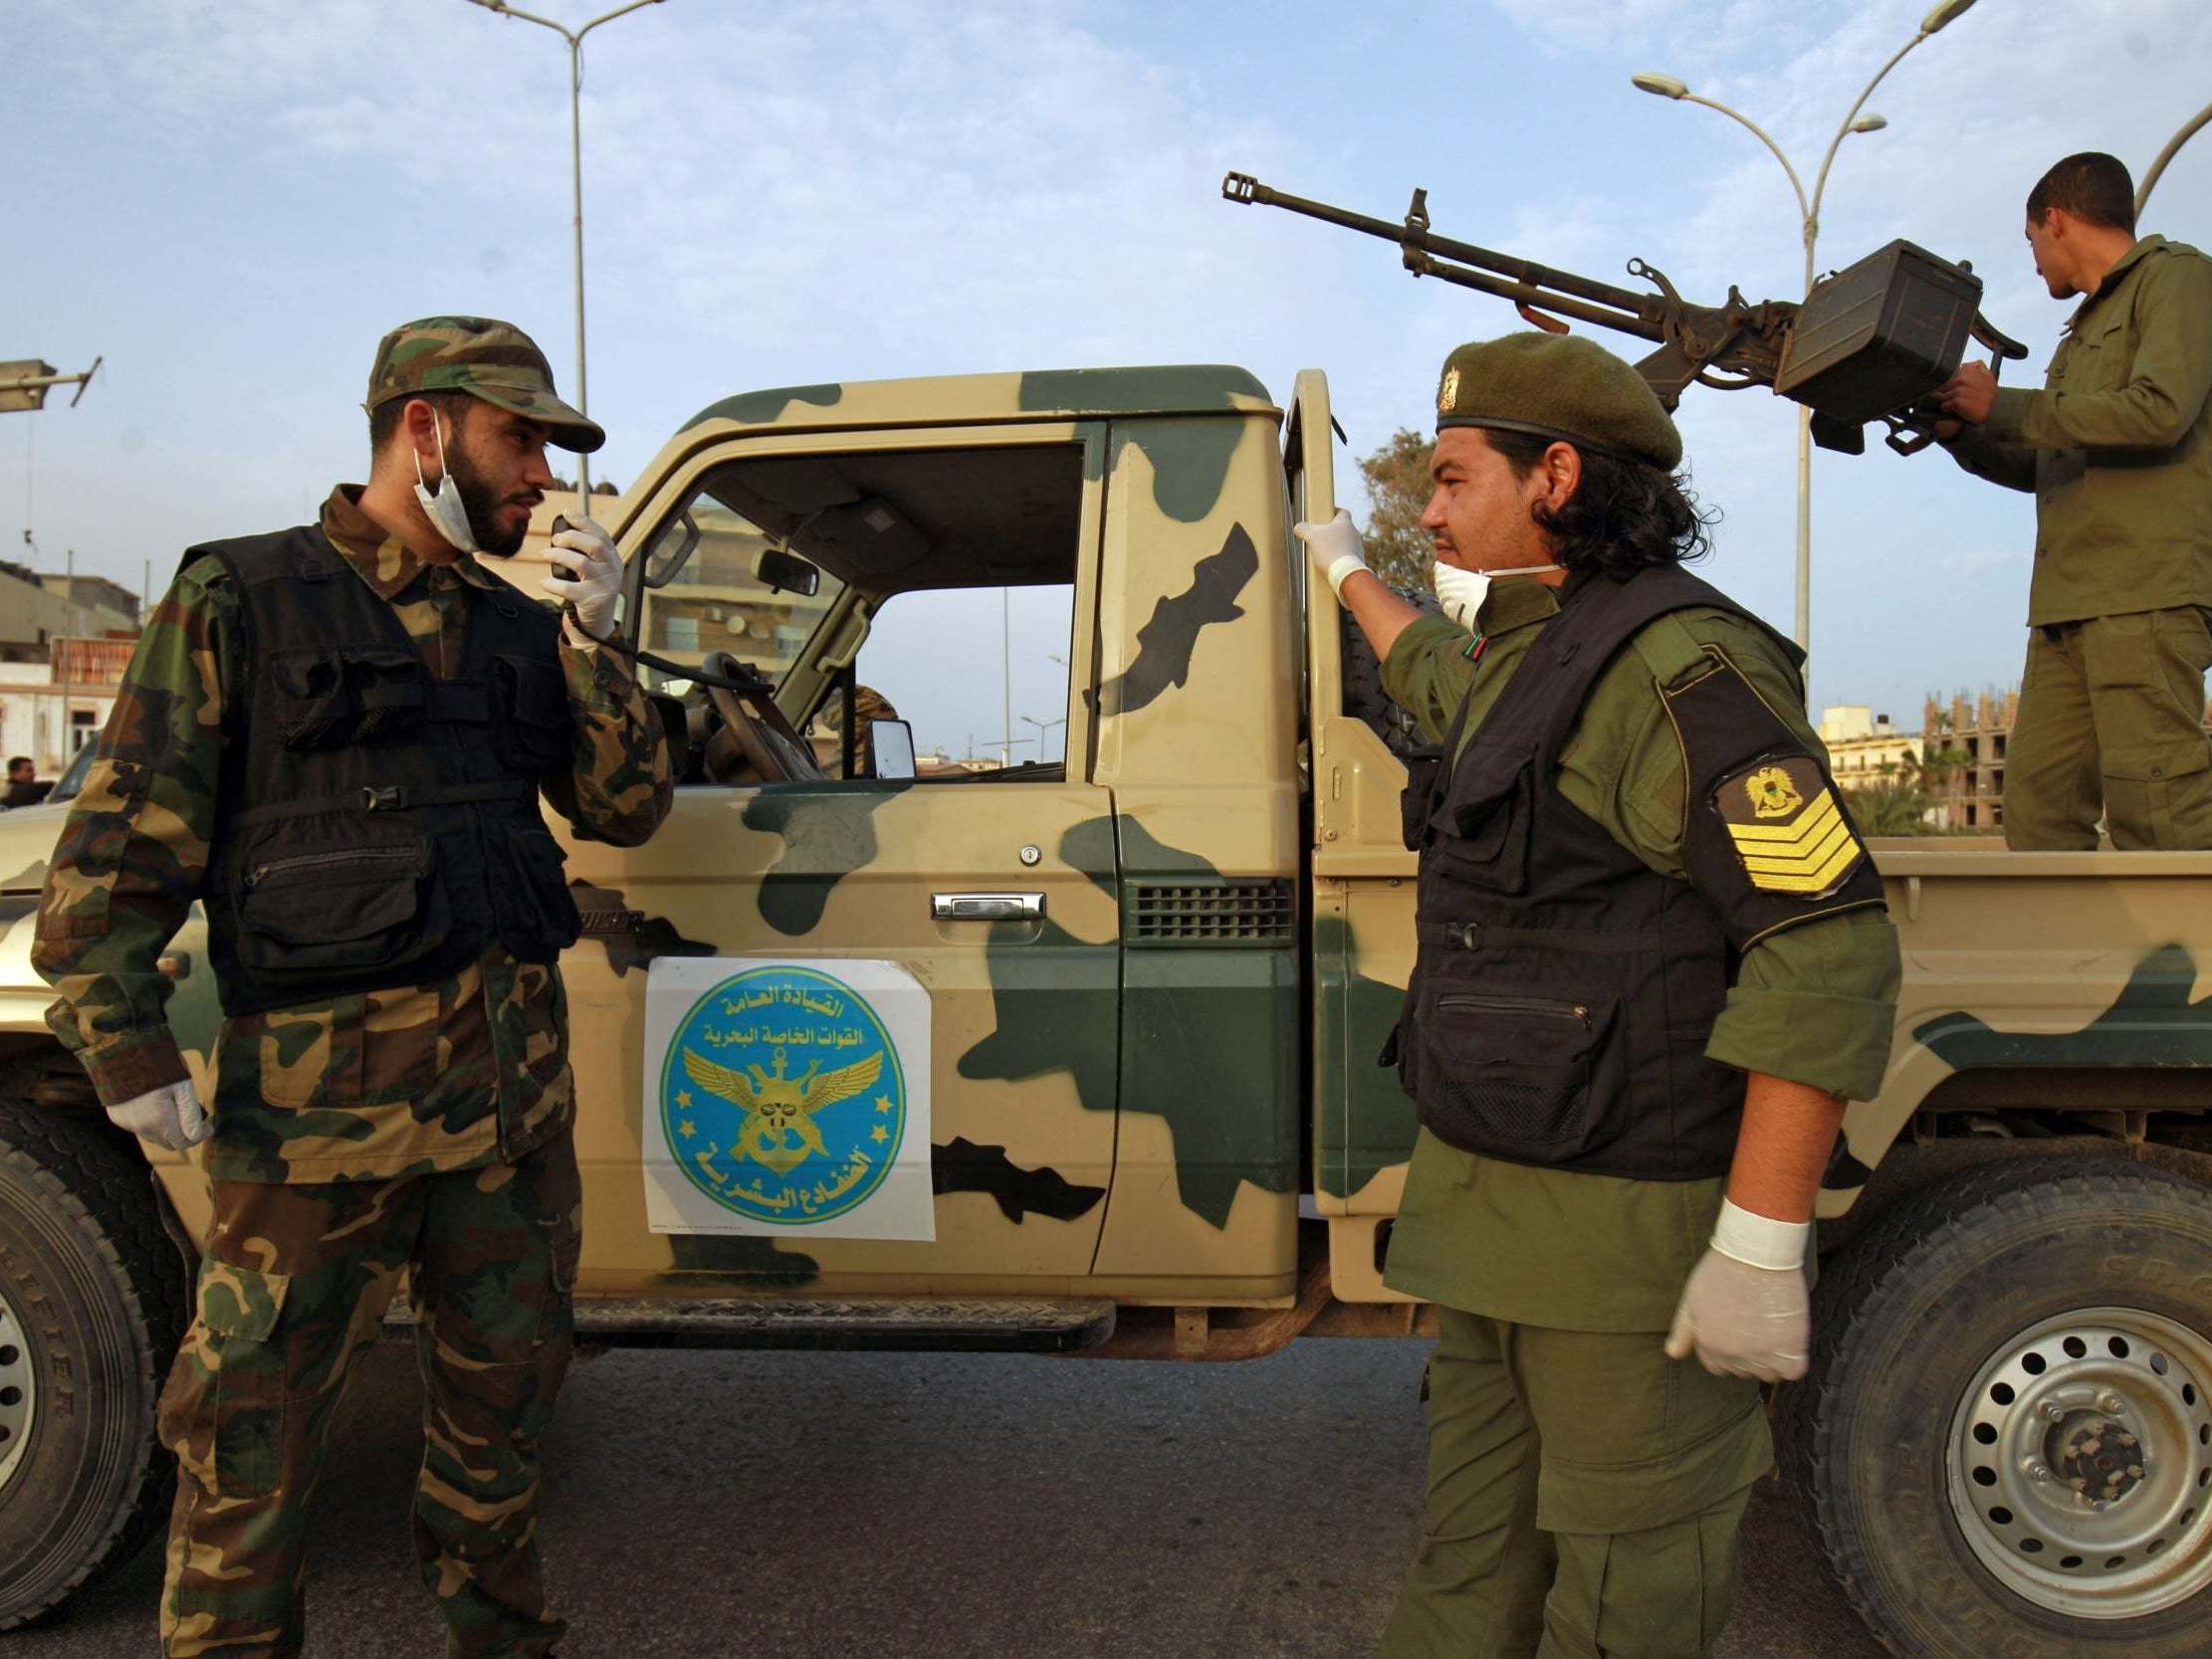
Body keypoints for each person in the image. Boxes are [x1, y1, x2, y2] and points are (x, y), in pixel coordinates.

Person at [34, 315, 674, 1659]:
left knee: (501, 1441)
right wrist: (128, 1047)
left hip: (506, 1128)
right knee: (247, 1456)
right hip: (318, 1141)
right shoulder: (241, 599)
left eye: (555, 452)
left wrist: (600, 642)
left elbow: (623, 806)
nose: (545, 480)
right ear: (422, 428)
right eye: (520, 441)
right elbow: (114, 854)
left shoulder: (519, 629)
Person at [1295, 333, 1899, 1658]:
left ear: (1555, 474)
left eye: (1453, 480)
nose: (1432, 510)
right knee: (1467, 1582)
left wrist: (1756, 1242)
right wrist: (1341, 568)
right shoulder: (1527, 649)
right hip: (1486, 1231)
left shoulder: (1682, 670)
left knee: (1625, 1603)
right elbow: (1422, 668)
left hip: (1625, 1254)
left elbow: (1828, 948)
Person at [1935, 150, 2212, 850]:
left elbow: (2159, 411)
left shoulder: (2177, 278)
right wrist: (1960, 434)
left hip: (2142, 595)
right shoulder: (2082, 329)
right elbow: (2050, 462)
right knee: (2038, 818)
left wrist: (2004, 405)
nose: (2033, 262)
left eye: (2030, 242)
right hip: (2064, 608)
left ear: (2054, 221)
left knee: (2161, 816)